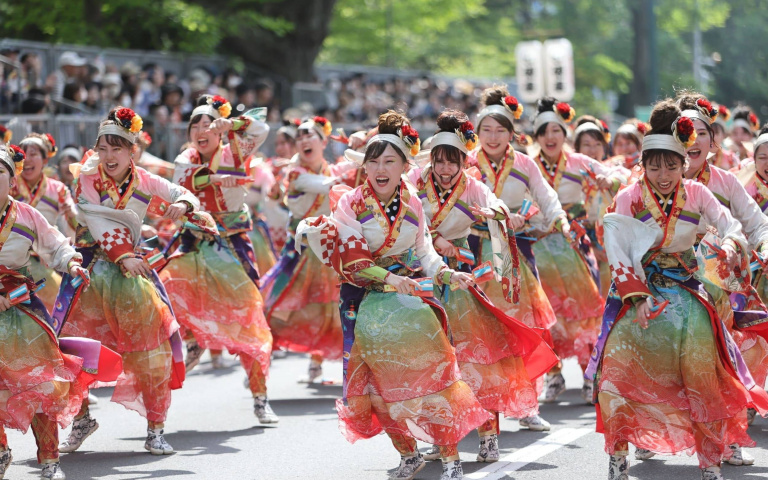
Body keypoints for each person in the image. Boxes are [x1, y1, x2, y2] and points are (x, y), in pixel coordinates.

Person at [297, 111, 490, 480]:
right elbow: (354, 259)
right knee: (373, 387)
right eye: (373, 162)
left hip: (410, 299)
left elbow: (425, 251)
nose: (380, 169)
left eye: (389, 161)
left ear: (404, 166)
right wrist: (390, 278)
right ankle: (408, 453)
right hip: (364, 297)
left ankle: (451, 457)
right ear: (365, 167)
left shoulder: (413, 202)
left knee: (432, 374)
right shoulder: (350, 203)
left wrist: (448, 274)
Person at [587, 99, 768, 480]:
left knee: (703, 372)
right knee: (619, 370)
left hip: (690, 288)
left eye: (671, 166)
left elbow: (733, 225)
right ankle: (619, 455)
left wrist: (731, 243)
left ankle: (712, 458)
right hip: (640, 290)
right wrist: (637, 297)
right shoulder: (629, 196)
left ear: (684, 163)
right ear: (643, 165)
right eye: (654, 166)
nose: (663, 174)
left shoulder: (701, 192)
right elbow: (617, 248)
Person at [409, 109, 558, 463]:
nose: (445, 169)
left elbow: (496, 204)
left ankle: (489, 436)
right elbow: (401, 214)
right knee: (430, 362)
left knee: (476, 360)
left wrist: (496, 214)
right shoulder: (415, 181)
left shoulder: (473, 186)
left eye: (453, 161)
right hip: (421, 278)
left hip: (459, 280)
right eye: (439, 161)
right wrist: (433, 239)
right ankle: (441, 435)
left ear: (464, 161)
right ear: (431, 160)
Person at [57, 107, 198, 456]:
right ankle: (82, 420)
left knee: (152, 353)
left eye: (116, 148)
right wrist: (124, 256)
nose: (108, 156)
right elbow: (96, 221)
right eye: (103, 148)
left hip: (131, 276)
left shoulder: (144, 179)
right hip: (91, 273)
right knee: (73, 350)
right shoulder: (87, 176)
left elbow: (179, 191)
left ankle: (156, 430)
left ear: (132, 151)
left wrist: (184, 203)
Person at [160, 96, 278, 423]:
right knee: (168, 288)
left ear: (220, 130)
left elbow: (262, 128)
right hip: (195, 240)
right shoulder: (186, 158)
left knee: (248, 316)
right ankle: (192, 340)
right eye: (195, 125)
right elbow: (184, 181)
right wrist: (213, 179)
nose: (201, 130)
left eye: (208, 124)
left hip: (231, 242)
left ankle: (260, 397)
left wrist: (234, 123)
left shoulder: (234, 151)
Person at [466, 87, 564, 430]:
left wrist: (558, 218)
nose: (493, 137)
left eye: (500, 130)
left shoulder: (524, 163)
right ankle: (475, 406)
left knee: (523, 327)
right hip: (472, 250)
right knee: (475, 330)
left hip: (511, 252)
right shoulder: (465, 161)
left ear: (512, 134)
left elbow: (546, 195)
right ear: (477, 133)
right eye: (486, 130)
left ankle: (526, 405)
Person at [0, 144, 99, 480]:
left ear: (12, 182)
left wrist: (72, 263)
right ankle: (0, 452)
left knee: (41, 384)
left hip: (21, 306)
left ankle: (49, 460)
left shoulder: (27, 216)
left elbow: (55, 245)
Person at [529, 97, 625, 403]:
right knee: (546, 312)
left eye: (556, 130)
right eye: (544, 131)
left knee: (585, 310)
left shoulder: (579, 162)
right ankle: (553, 374)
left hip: (574, 246)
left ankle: (588, 374)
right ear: (536, 136)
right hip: (538, 248)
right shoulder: (527, 164)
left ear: (564, 134)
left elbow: (621, 178)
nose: (550, 137)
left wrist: (609, 179)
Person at [260, 116, 355, 382]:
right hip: (301, 250)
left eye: (309, 135)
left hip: (329, 249)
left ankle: (318, 359)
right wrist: (356, 168)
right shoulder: (296, 173)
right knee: (281, 305)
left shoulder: (331, 168)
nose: (303, 140)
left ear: (323, 142)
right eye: (299, 137)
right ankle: (261, 357)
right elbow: (324, 186)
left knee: (332, 307)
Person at [15, 133, 78, 311]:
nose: (27, 159)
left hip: (47, 256)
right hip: (14, 257)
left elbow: (74, 224)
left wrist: (71, 214)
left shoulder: (58, 189)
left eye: (33, 154)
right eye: (23, 154)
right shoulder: (9, 186)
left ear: (45, 160)